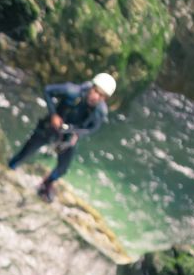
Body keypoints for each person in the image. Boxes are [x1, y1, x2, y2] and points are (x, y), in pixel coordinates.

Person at [7, 72, 116, 202]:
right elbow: (48, 90)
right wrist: (53, 114)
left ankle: (47, 183)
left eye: (102, 96)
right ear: (91, 87)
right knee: (24, 154)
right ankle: (10, 168)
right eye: (96, 92)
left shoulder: (100, 112)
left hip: (68, 135)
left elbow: (92, 128)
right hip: (50, 128)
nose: (96, 97)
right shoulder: (72, 91)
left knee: (62, 168)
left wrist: (77, 133)